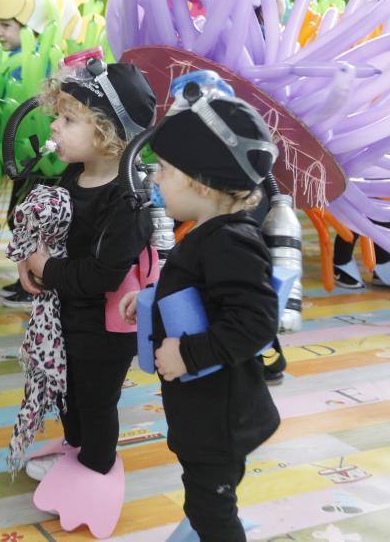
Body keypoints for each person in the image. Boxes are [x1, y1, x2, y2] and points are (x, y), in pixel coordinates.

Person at [119, 84, 281, 542]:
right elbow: (203, 294)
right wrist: (150, 302)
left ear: (201, 182)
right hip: (204, 409)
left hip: (220, 416)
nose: (155, 178)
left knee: (211, 510)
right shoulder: (209, 231)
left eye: (165, 170)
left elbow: (255, 322)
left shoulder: (231, 241)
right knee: (204, 498)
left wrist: (189, 355)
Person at [19, 61, 156, 482]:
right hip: (68, 312)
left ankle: (96, 467)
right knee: (67, 389)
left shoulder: (129, 200)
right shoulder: (73, 175)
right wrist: (28, 260)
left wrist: (46, 268)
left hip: (106, 326)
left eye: (68, 120)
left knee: (96, 400)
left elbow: (102, 275)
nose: (54, 126)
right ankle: (75, 447)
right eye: (58, 117)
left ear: (107, 132)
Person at [0, 0, 85, 308]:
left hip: (43, 158)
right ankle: (26, 277)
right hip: (26, 158)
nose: (0, 32)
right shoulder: (10, 58)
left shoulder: (41, 57)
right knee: (20, 217)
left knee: (34, 220)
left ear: (31, 26)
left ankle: (36, 282)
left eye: (7, 25)